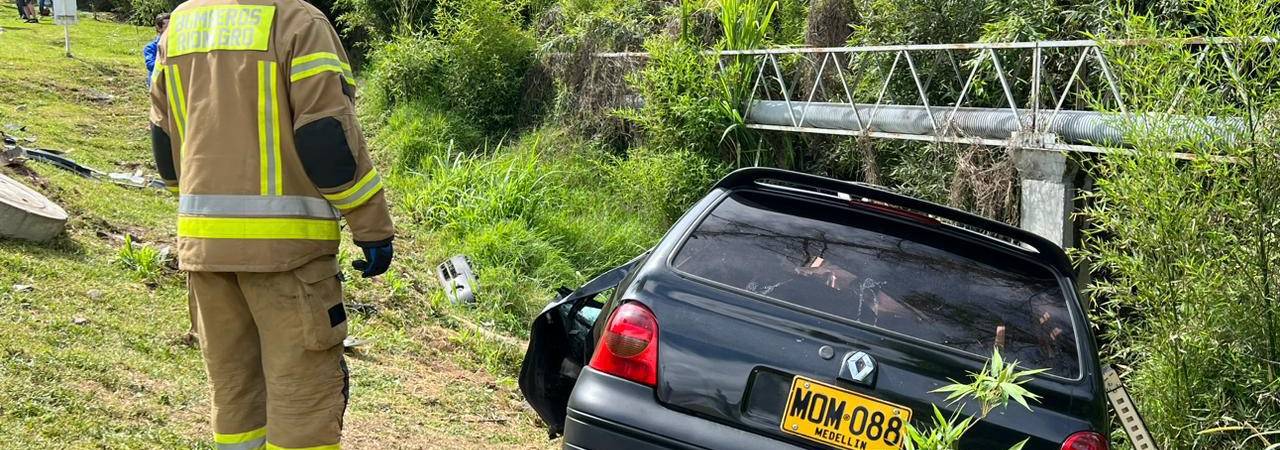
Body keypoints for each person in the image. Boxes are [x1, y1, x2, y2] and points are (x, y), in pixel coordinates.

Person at [149, 0, 395, 448]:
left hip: (205, 252)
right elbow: (327, 144)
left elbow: (165, 149)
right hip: (289, 259)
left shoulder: (180, 25)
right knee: (303, 399)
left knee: (236, 396)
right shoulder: (298, 22)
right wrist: (372, 225)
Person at [143, 13, 168, 86]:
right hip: (157, 85)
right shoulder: (151, 47)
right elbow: (150, 65)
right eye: (167, 27)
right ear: (159, 28)